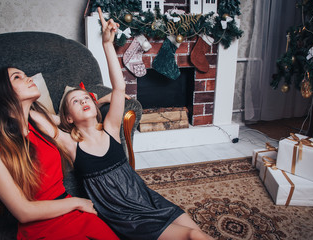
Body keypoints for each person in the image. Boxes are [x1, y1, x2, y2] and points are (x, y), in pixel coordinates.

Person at [58, 7, 214, 240]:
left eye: (86, 98)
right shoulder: (69, 143)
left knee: (198, 232)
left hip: (143, 196)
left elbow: (119, 87)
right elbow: (42, 119)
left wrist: (107, 44)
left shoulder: (110, 129)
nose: (83, 101)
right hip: (124, 215)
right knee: (192, 235)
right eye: (75, 101)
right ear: (68, 118)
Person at [0, 67, 120, 239]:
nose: (29, 78)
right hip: (41, 227)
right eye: (17, 77)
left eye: (26, 75)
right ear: (1, 94)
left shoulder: (39, 121)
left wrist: (101, 101)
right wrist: (77, 202)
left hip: (76, 215)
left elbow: (73, 118)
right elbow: (24, 212)